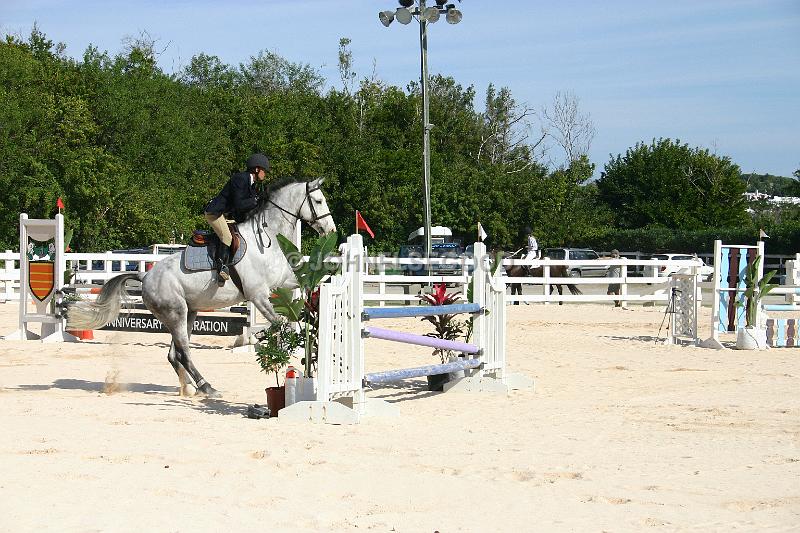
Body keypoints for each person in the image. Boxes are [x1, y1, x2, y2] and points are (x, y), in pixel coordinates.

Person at [204, 153, 270, 284]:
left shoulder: (251, 184)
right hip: (215, 213)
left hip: (225, 214)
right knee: (227, 237)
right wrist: (256, 199)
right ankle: (221, 268)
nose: (265, 174)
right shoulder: (240, 179)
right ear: (257, 169)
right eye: (264, 171)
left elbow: (247, 207)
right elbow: (240, 204)